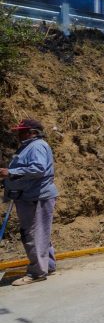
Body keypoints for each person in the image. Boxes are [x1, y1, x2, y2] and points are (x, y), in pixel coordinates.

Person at [0, 119, 59, 286]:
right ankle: (48, 266)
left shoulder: (37, 146)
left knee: (33, 234)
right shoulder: (28, 146)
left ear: (32, 132)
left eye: (22, 131)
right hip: (29, 196)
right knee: (40, 233)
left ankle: (37, 273)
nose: (18, 134)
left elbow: (38, 169)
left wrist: (10, 172)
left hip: (36, 197)